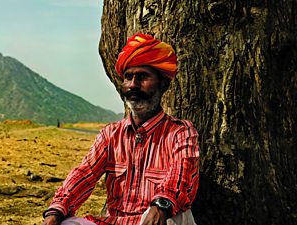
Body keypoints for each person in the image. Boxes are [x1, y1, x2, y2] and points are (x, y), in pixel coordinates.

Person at [42, 33, 199, 225]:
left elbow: (182, 175)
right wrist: (56, 210)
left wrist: (160, 206)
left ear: (163, 84)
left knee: (174, 219)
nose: (133, 84)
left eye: (142, 77)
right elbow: (84, 174)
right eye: (128, 77)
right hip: (116, 222)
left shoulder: (180, 132)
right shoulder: (110, 134)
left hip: (157, 219)